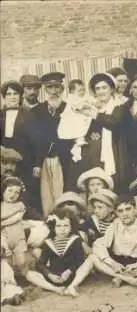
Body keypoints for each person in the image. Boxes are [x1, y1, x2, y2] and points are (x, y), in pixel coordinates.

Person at [62, 73, 127, 192]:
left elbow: (114, 123)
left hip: (113, 154)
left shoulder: (120, 107)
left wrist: (93, 114)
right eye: (97, 88)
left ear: (112, 89)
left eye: (104, 87)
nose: (101, 91)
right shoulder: (91, 107)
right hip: (92, 155)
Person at [92, 195, 137, 288]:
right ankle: (129, 279)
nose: (125, 214)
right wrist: (112, 262)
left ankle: (121, 277)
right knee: (93, 257)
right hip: (117, 262)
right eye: (120, 211)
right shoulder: (115, 224)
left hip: (135, 264)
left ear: (134, 210)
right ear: (116, 213)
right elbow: (99, 244)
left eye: (128, 209)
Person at [31, 72, 72, 218]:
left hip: (64, 159)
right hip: (43, 160)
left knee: (63, 192)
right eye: (50, 88)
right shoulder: (36, 111)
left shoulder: (69, 108)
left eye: (56, 87)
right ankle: (49, 221)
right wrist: (37, 163)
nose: (53, 91)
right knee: (45, 194)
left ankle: (64, 222)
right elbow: (34, 140)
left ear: (62, 89)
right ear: (45, 90)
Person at [25, 207, 88, 296]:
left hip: (71, 275)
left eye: (66, 226)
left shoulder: (75, 240)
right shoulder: (49, 242)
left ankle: (72, 286)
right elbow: (41, 263)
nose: (62, 229)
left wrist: (68, 271)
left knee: (84, 267)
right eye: (58, 226)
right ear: (53, 227)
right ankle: (56, 289)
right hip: (54, 276)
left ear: (71, 226)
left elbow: (80, 260)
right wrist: (50, 275)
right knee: (29, 274)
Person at [0, 80, 38, 207]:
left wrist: (36, 164)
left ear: (20, 96)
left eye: (15, 94)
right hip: (3, 163)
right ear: (4, 97)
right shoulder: (0, 115)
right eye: (8, 94)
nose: (12, 97)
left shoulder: (29, 116)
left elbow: (36, 142)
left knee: (25, 193)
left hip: (24, 162)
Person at [1, 176, 29, 274]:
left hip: (18, 238)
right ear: (3, 190)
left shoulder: (20, 204)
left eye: (17, 192)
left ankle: (28, 278)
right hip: (4, 239)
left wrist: (2, 223)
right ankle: (11, 282)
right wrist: (16, 210)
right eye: (10, 190)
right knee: (7, 263)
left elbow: (16, 218)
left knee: (22, 262)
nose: (13, 195)